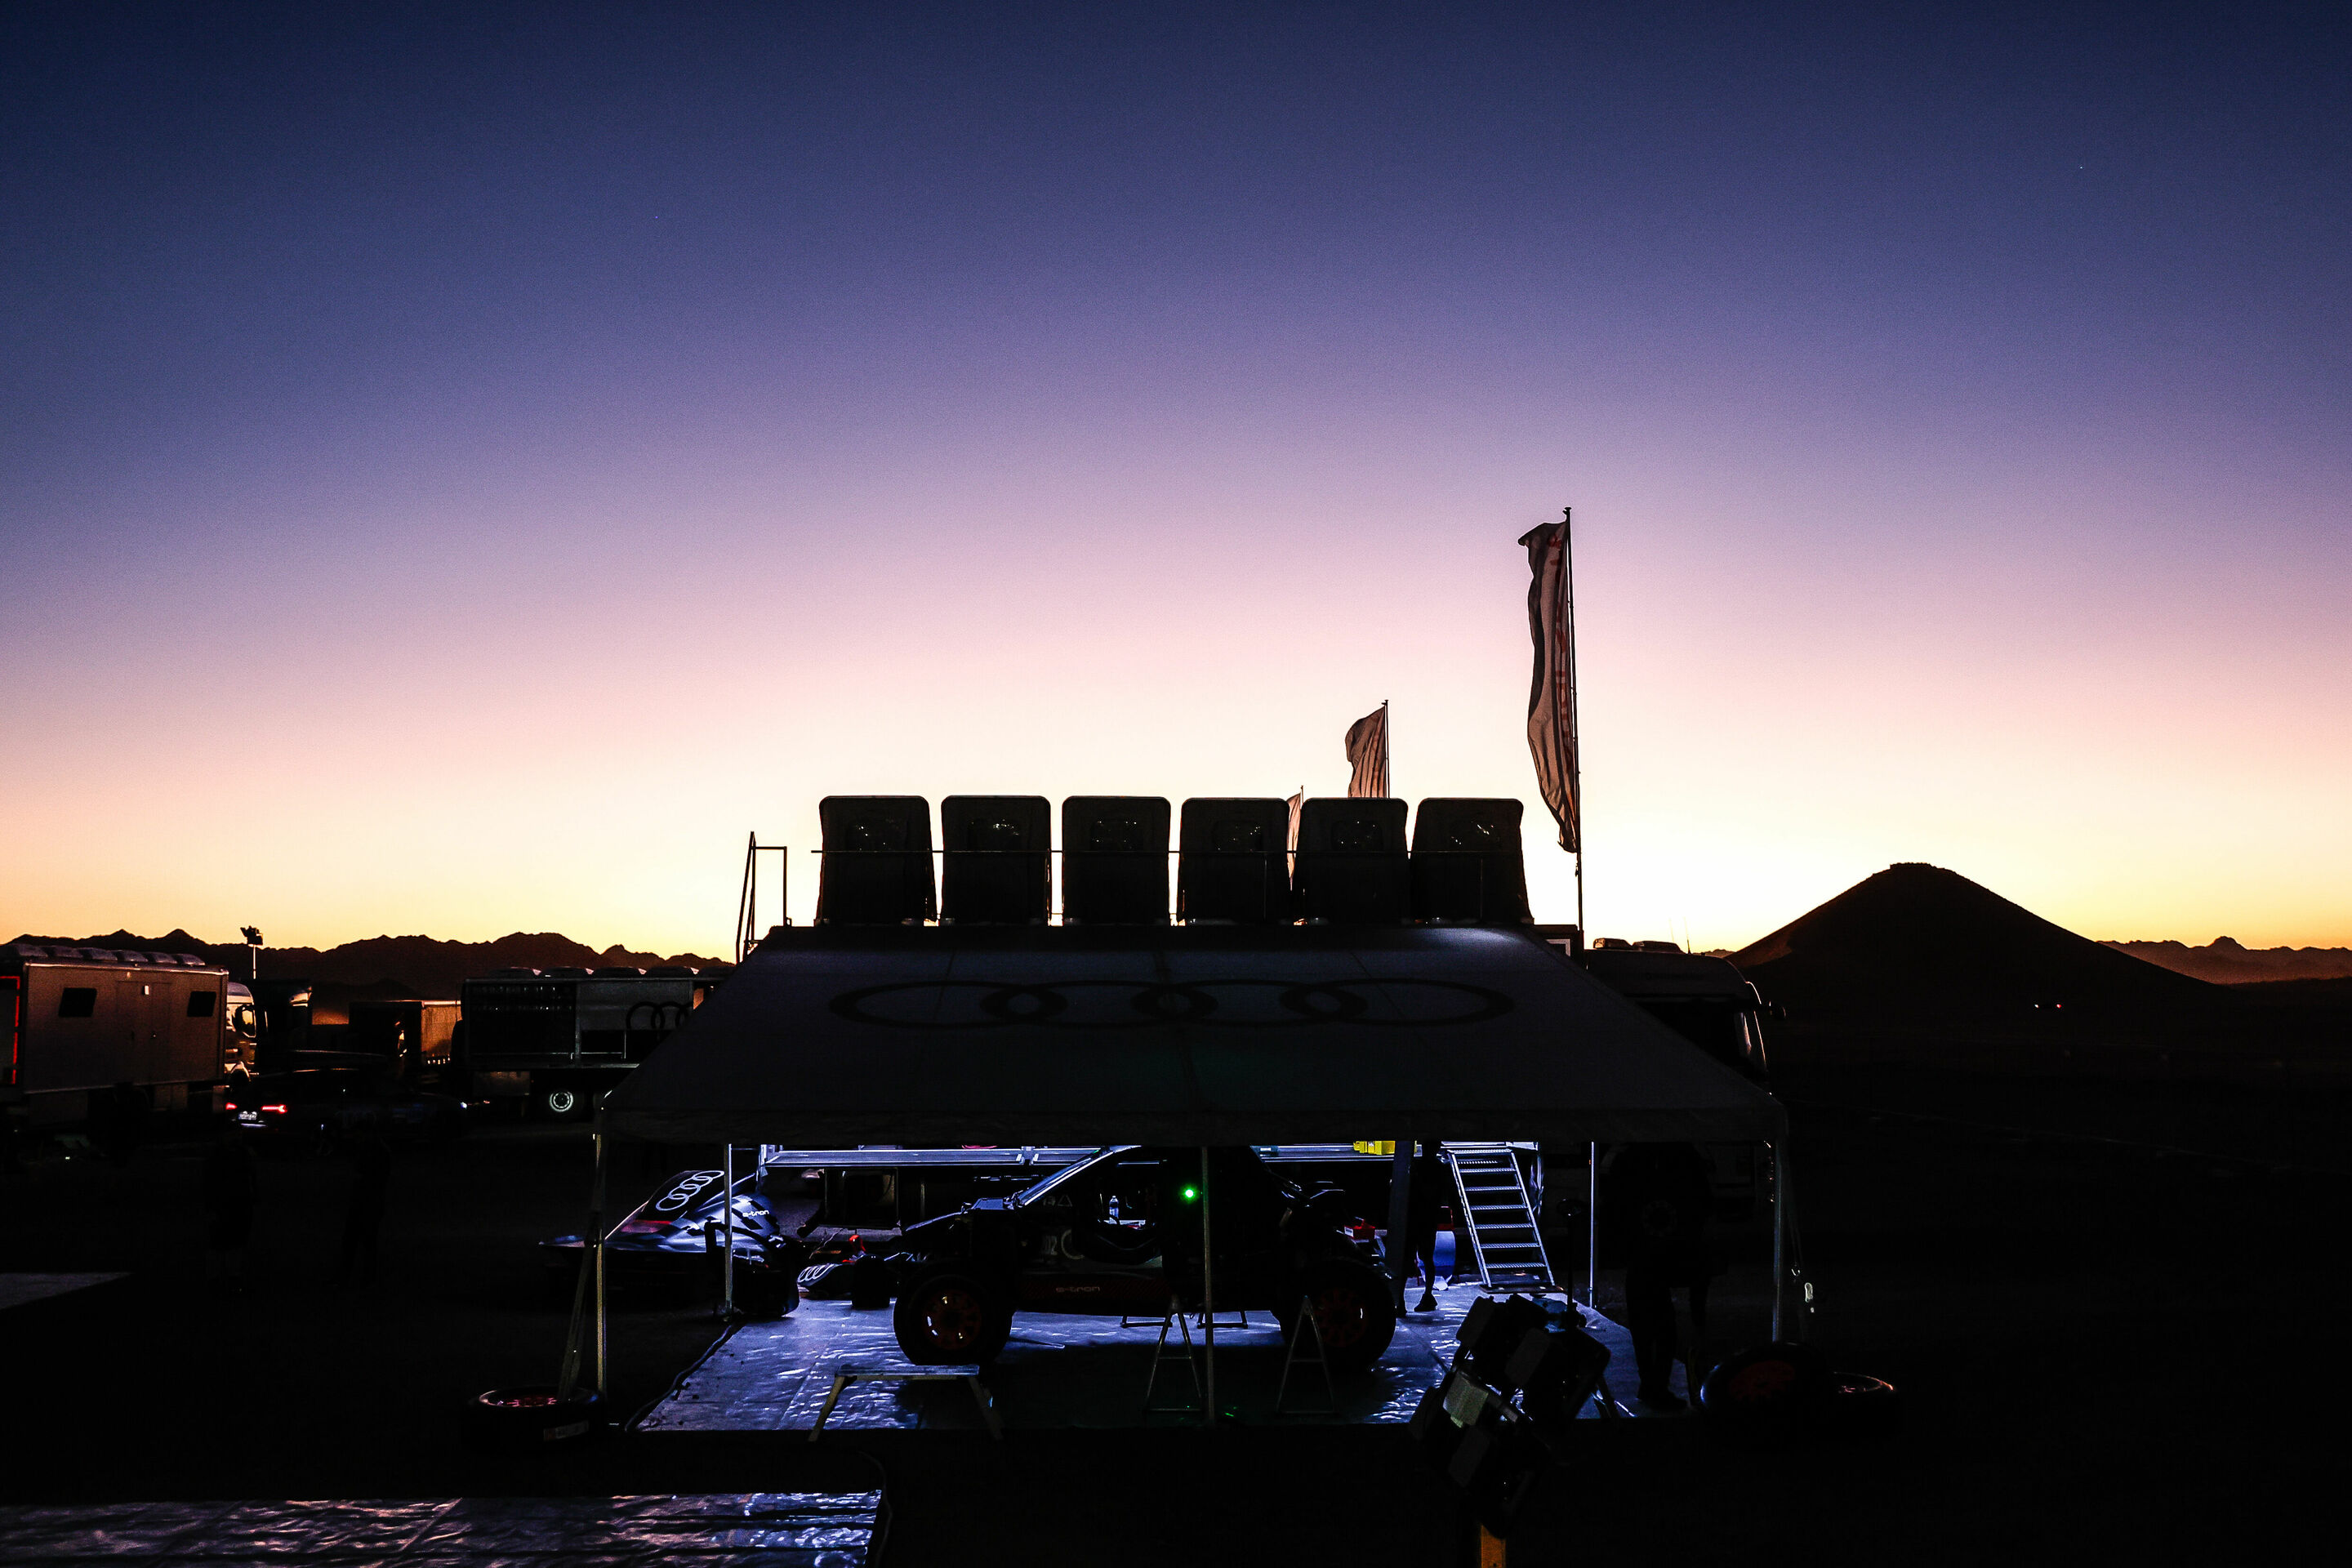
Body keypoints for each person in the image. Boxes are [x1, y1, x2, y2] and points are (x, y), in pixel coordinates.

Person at [1615, 1143, 1719, 1410]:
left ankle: (1651, 1385)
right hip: (1654, 1265)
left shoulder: (1634, 1164)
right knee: (1662, 1331)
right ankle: (1655, 1387)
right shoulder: (1681, 1166)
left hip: (1643, 1264)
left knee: (1647, 1329)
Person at [203, 1120, 260, 1289]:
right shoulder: (220, 1156)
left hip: (238, 1203)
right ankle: (220, 1278)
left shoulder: (240, 1154)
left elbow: (251, 1177)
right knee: (221, 1242)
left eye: (238, 1134)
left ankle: (228, 1277)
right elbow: (209, 1184)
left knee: (232, 1242)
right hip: (224, 1204)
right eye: (233, 1134)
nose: (236, 1137)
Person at [335, 1134, 392, 1287]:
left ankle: (349, 1275)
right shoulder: (381, 1151)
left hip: (364, 1202)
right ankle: (365, 1277)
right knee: (367, 1242)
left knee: (354, 1241)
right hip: (371, 1203)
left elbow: (363, 1178)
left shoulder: (371, 1152)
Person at [1406, 1141, 1448, 1312]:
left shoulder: (1437, 1168)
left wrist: (1416, 1177)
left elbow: (1431, 1193)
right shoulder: (1423, 1165)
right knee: (1413, 1256)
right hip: (1419, 1217)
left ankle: (1427, 1295)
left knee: (1425, 1256)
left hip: (1425, 1218)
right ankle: (1405, 1300)